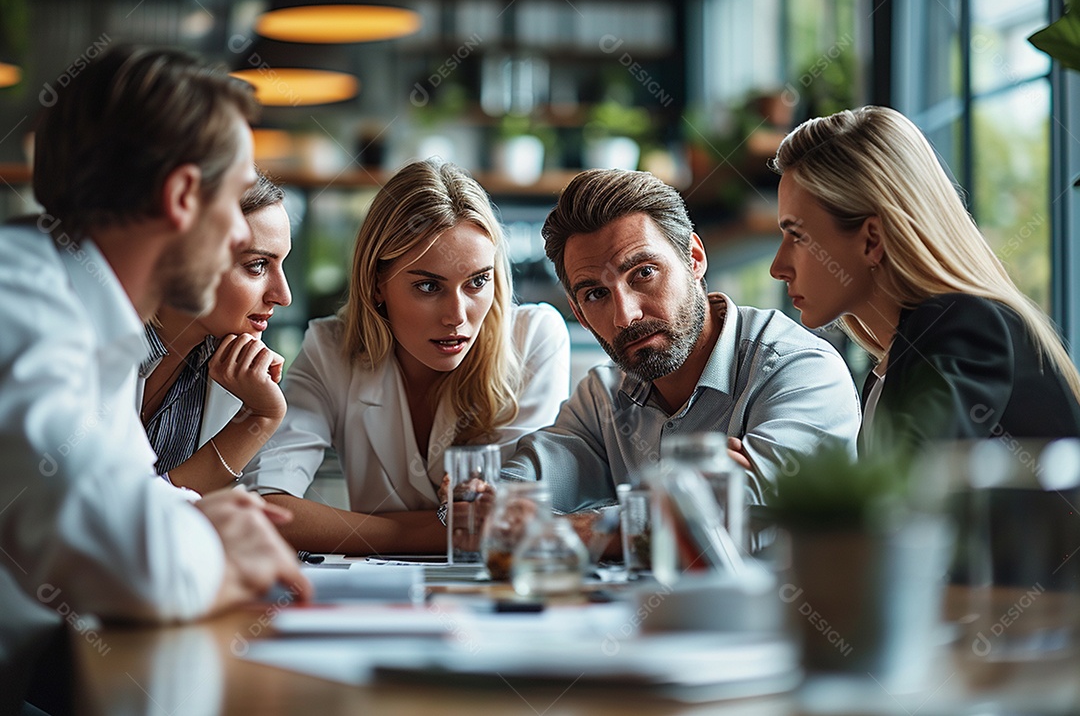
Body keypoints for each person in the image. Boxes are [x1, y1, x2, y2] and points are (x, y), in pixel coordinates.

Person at [0, 45, 310, 713]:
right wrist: (217, 545)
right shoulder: (17, 307)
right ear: (180, 198)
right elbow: (136, 565)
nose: (236, 235)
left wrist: (203, 517)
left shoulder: (87, 316)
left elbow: (135, 497)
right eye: (234, 202)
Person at [242, 158, 571, 554]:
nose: (457, 315)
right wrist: (435, 532)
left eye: (477, 282)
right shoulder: (332, 347)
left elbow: (516, 517)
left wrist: (356, 530)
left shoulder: (533, 337)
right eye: (429, 286)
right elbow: (268, 510)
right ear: (377, 283)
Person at [502, 168, 861, 522]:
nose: (625, 316)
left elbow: (744, 517)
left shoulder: (802, 370)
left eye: (643, 273)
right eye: (596, 294)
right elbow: (509, 500)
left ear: (694, 259)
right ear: (579, 313)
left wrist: (592, 527)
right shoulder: (602, 399)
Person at [768, 105, 1080, 451]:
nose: (778, 267)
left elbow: (907, 493)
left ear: (872, 239)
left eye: (796, 236)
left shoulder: (963, 327)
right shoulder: (895, 367)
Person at [140, 169, 292, 494]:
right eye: (257, 266)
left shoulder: (238, 369)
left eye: (282, 265)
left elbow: (254, 509)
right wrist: (261, 418)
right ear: (190, 256)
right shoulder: (90, 346)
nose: (283, 295)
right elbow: (119, 513)